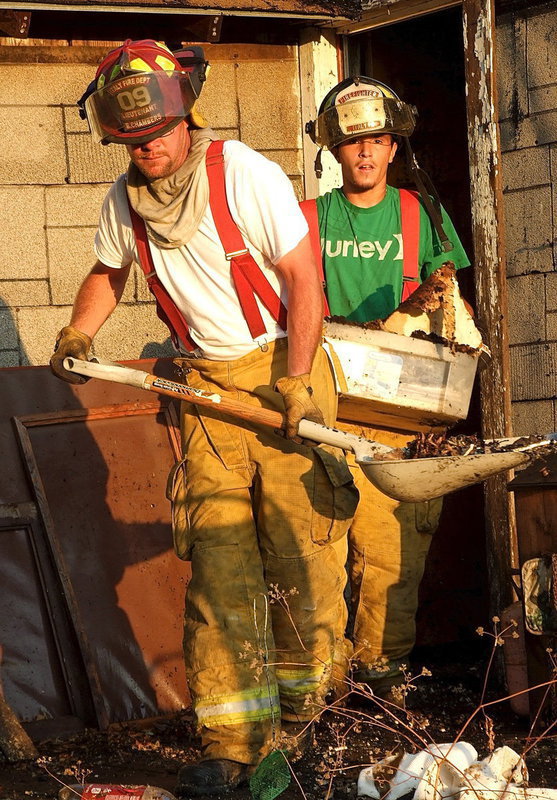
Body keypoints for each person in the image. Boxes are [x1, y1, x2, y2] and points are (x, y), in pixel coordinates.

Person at [49, 40, 358, 797]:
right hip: (209, 391)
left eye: (156, 132)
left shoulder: (240, 173)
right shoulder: (123, 202)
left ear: (186, 115)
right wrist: (80, 330)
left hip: (284, 366)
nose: (147, 147)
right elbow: (107, 271)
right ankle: (231, 744)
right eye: (130, 139)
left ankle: (314, 727)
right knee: (219, 573)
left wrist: (292, 382)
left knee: (301, 555)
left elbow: (301, 279)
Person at [304, 76, 471, 702]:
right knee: (318, 554)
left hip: (402, 411)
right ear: (334, 152)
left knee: (391, 560)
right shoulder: (308, 219)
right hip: (327, 402)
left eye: (376, 140)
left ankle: (381, 689)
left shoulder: (419, 212)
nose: (366, 153)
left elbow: (450, 300)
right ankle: (320, 692)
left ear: (393, 147)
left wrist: (429, 302)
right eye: (352, 144)